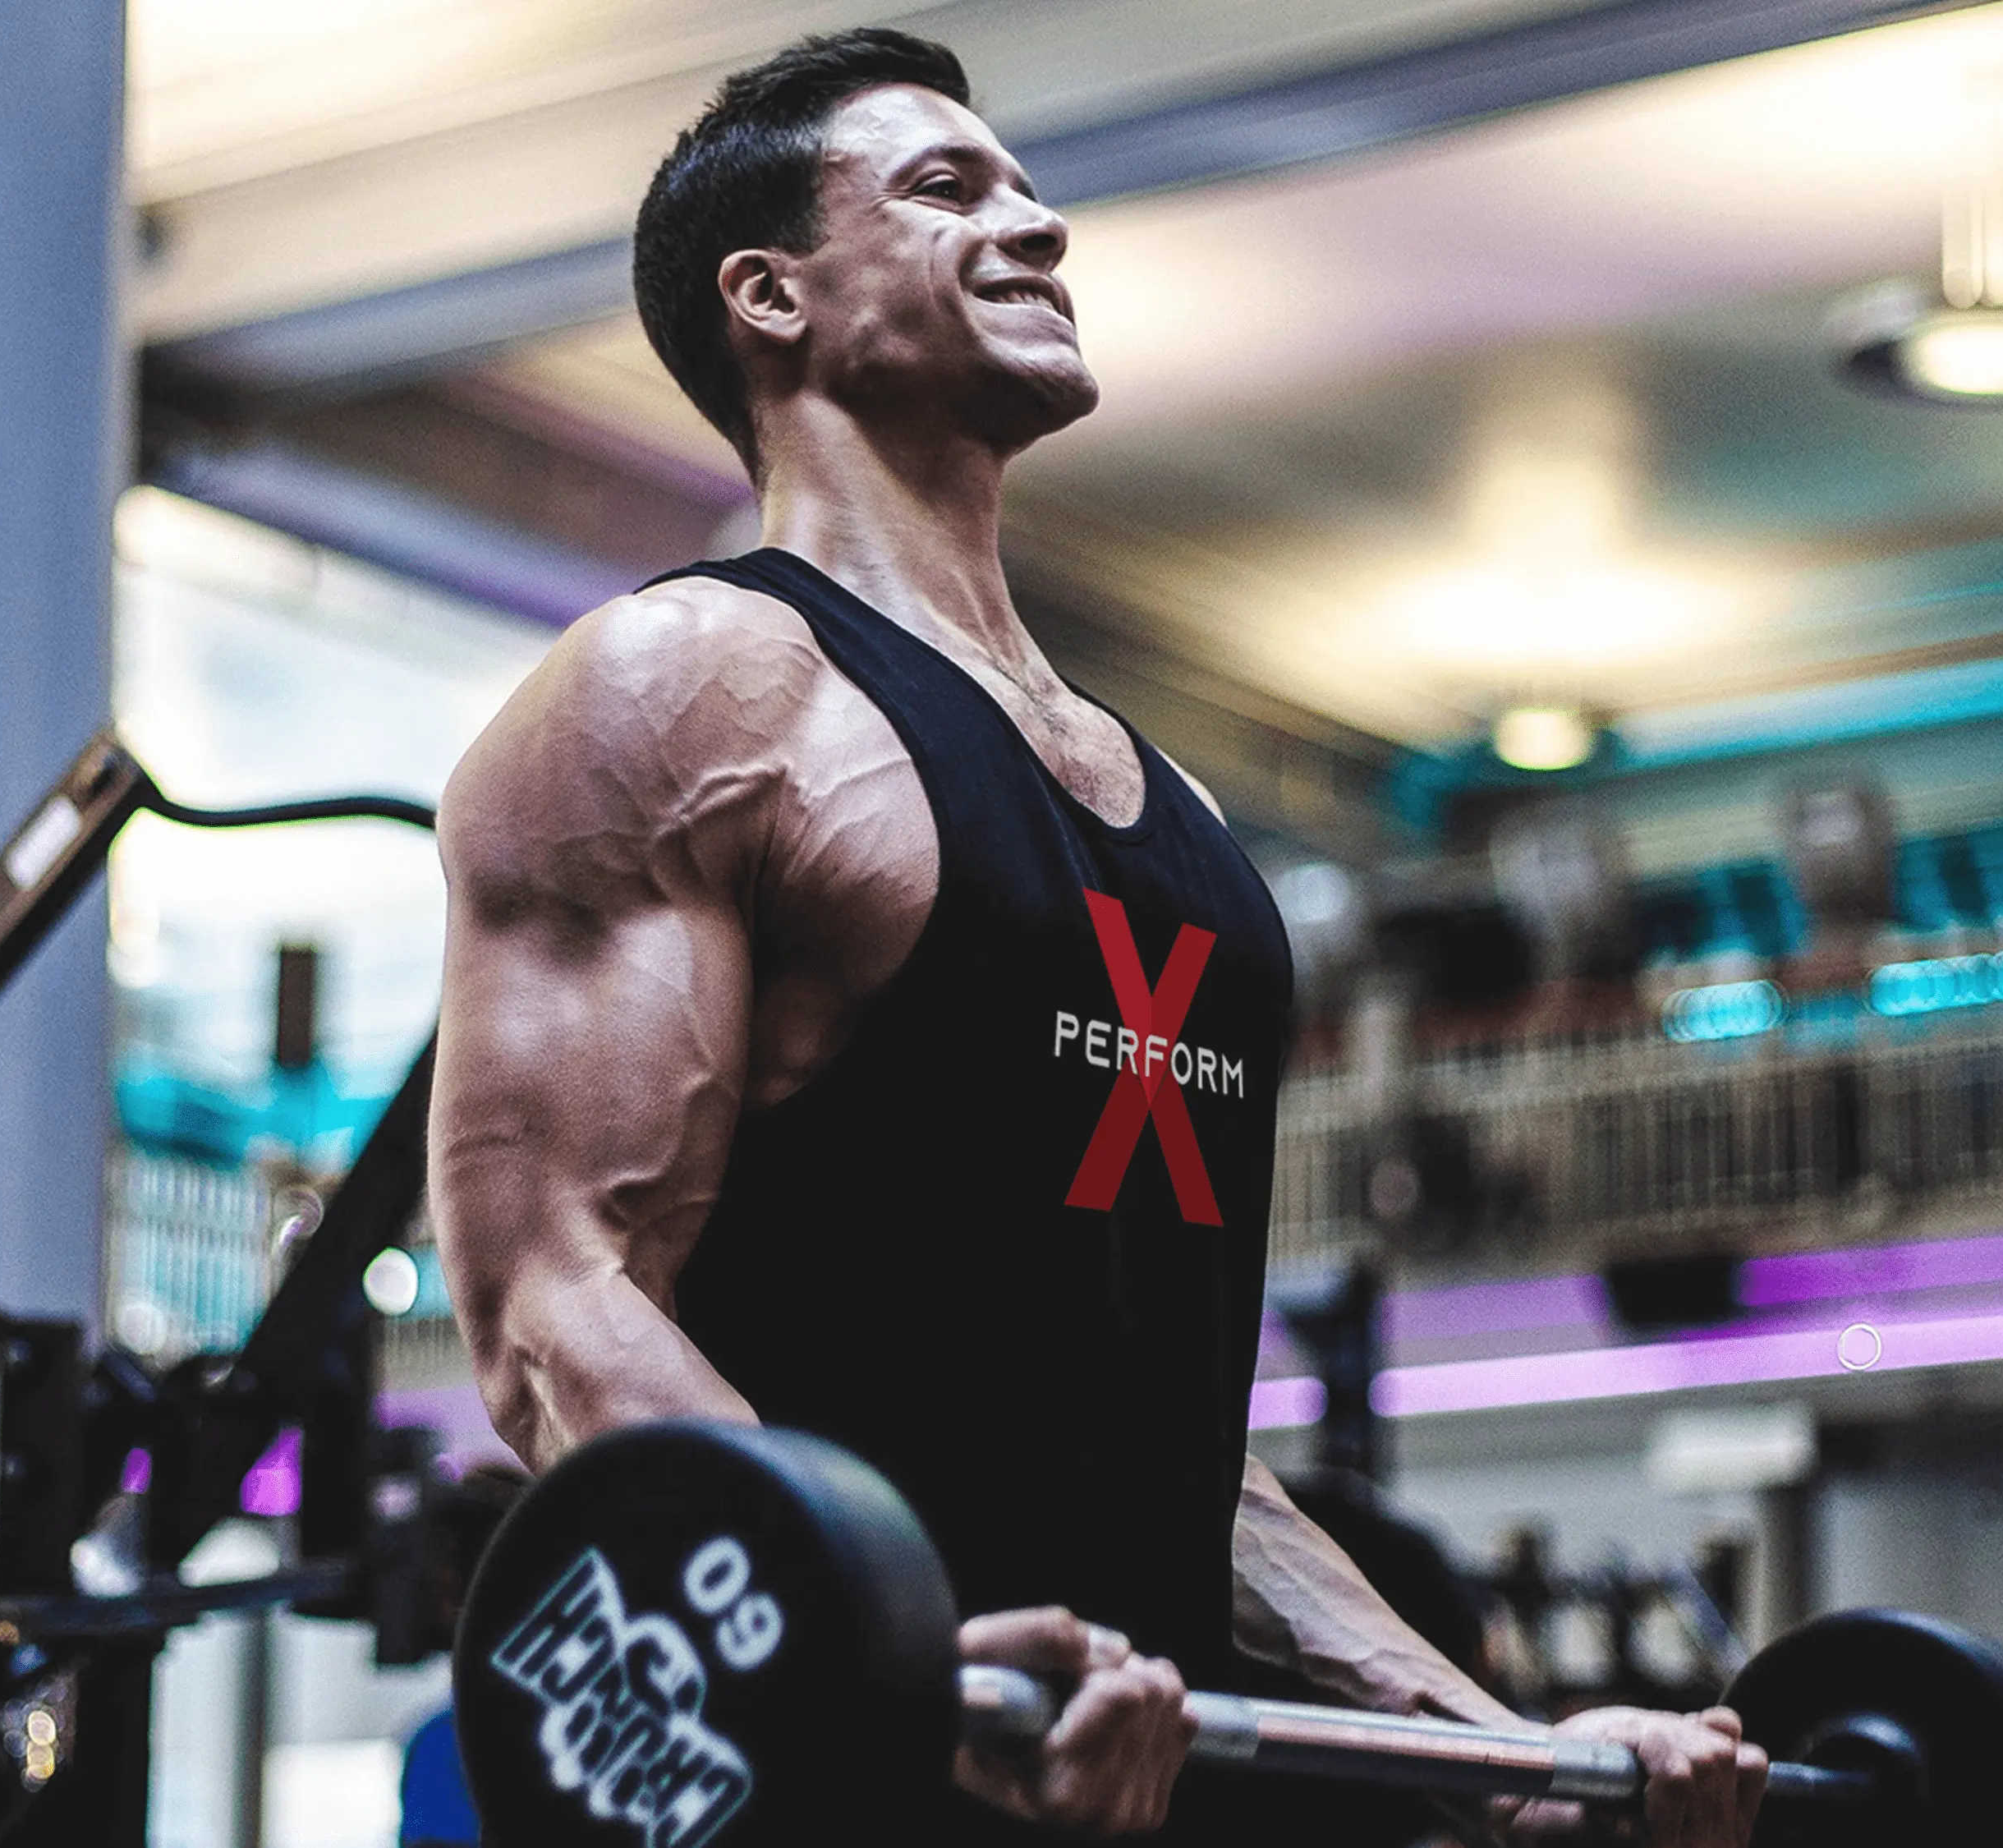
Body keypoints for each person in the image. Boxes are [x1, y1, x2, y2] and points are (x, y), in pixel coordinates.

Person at [429, 27, 1767, 1846]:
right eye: (946, 187)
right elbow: (554, 1303)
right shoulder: (684, 694)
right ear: (771, 295)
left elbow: (1172, 1455)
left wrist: (1514, 1754)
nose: (1039, 225)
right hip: (841, 1783)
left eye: (1030, 187)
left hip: (1128, 1782)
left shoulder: (1180, 820)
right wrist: (880, 1666)